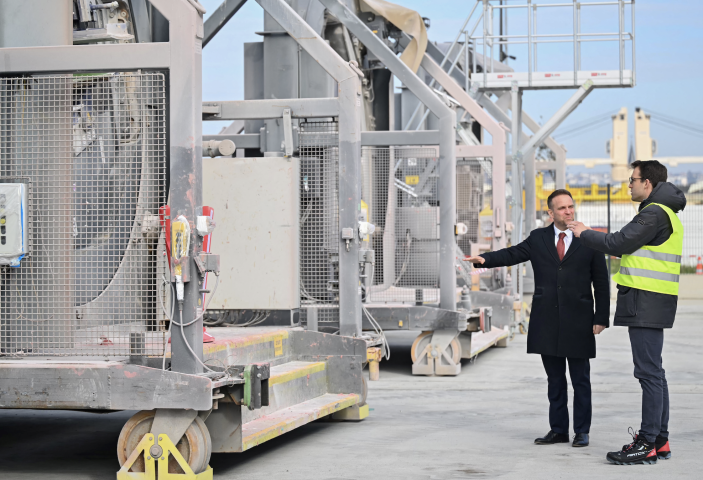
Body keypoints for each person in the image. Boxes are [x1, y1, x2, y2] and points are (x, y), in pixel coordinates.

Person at [467, 189, 609, 448]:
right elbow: (512, 254)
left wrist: (601, 317)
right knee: (554, 379)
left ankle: (582, 431)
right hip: (547, 320)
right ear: (550, 213)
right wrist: (484, 260)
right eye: (562, 208)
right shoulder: (538, 238)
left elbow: (601, 282)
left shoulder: (589, 239)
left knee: (580, 379)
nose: (568, 211)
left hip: (579, 320)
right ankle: (558, 430)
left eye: (571, 207)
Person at [568, 160, 685, 465]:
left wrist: (583, 232)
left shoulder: (653, 213)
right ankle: (659, 440)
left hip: (645, 301)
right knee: (654, 372)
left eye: (632, 180)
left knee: (648, 373)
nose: (629, 185)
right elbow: (628, 248)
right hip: (650, 300)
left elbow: (618, 241)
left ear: (648, 183)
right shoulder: (662, 213)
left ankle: (646, 442)